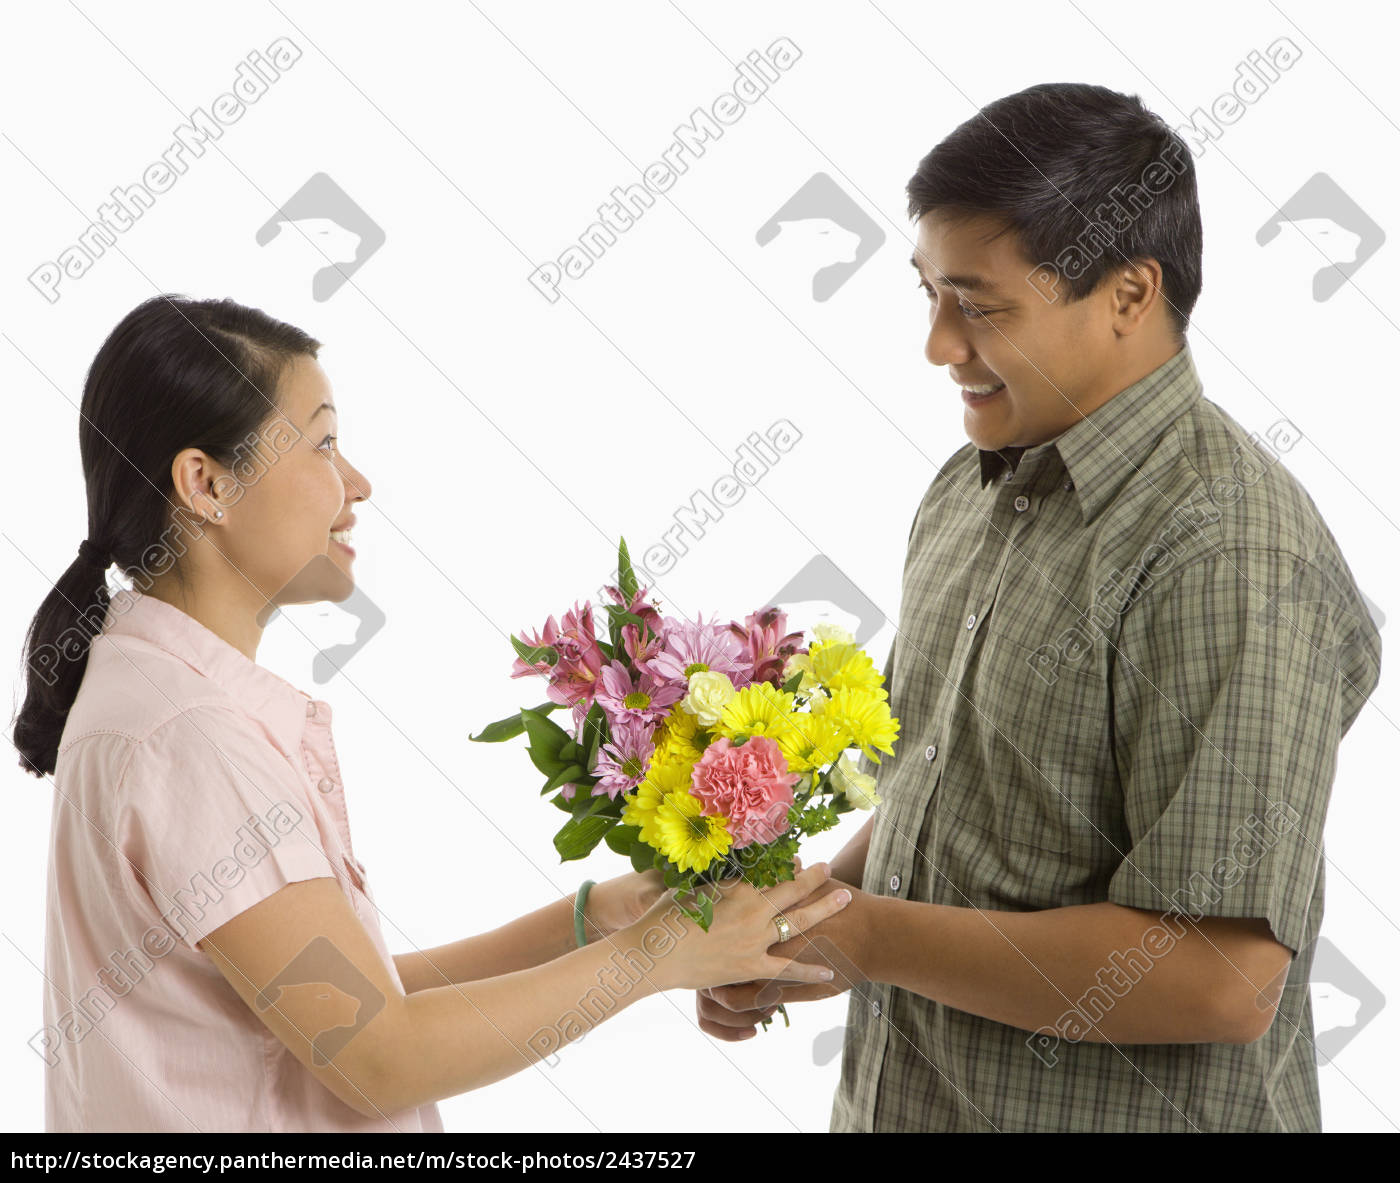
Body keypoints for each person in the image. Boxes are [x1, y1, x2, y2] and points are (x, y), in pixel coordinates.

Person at [696, 82, 1383, 1132]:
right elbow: (960, 789)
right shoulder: (973, 492)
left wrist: (866, 935)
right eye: (924, 291)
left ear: (1125, 294)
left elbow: (1215, 976)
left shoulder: (1229, 550)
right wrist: (799, 921)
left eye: (976, 303)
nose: (935, 342)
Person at [14, 294, 848, 1133]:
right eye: (324, 442)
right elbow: (379, 1053)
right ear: (206, 483)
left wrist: (588, 923)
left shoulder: (155, 691)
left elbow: (345, 1001)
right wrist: (659, 956)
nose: (358, 483)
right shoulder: (190, 733)